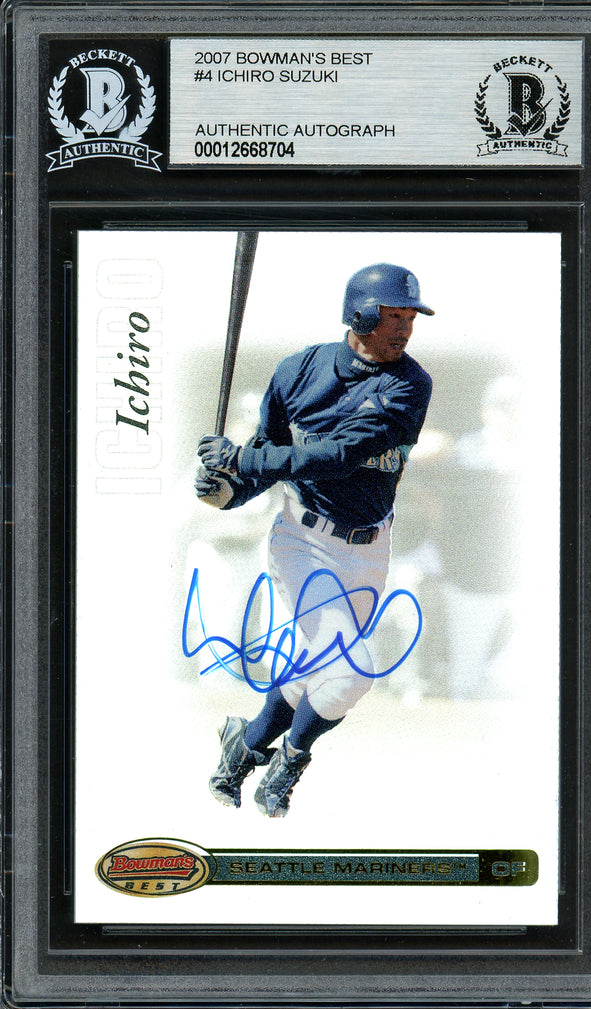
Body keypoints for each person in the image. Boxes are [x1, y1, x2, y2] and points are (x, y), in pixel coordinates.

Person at [195, 263, 434, 817]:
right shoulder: (298, 370)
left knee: (319, 670)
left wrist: (242, 459)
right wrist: (227, 491)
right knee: (351, 670)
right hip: (302, 541)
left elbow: (337, 455)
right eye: (392, 316)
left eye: (410, 318)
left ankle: (245, 745)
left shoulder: (409, 384)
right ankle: (289, 760)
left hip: (371, 548)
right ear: (360, 315)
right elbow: (267, 453)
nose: (404, 329)